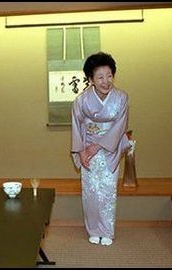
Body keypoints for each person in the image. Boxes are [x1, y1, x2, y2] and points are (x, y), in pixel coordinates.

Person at [71, 52, 131, 246]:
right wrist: (81, 152)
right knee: (90, 190)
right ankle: (93, 229)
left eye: (109, 75)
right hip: (87, 148)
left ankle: (107, 230)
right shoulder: (81, 101)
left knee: (107, 189)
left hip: (109, 149)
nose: (106, 81)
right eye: (100, 77)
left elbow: (120, 126)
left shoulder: (121, 98)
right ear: (90, 80)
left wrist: (97, 146)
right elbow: (77, 127)